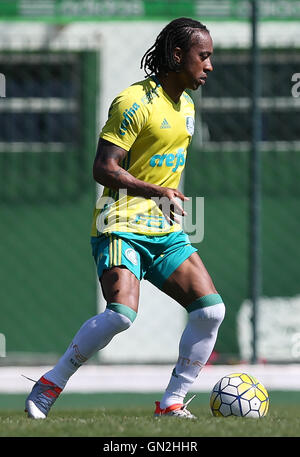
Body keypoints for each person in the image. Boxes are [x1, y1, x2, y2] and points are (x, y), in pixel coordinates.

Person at [25, 17, 225, 420]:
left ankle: (171, 402)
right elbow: (103, 167)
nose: (209, 66)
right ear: (176, 55)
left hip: (162, 229)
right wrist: (154, 191)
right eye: (203, 57)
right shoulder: (134, 102)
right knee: (121, 316)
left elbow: (158, 169)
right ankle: (49, 385)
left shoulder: (185, 104)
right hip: (118, 223)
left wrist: (163, 197)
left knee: (210, 311)